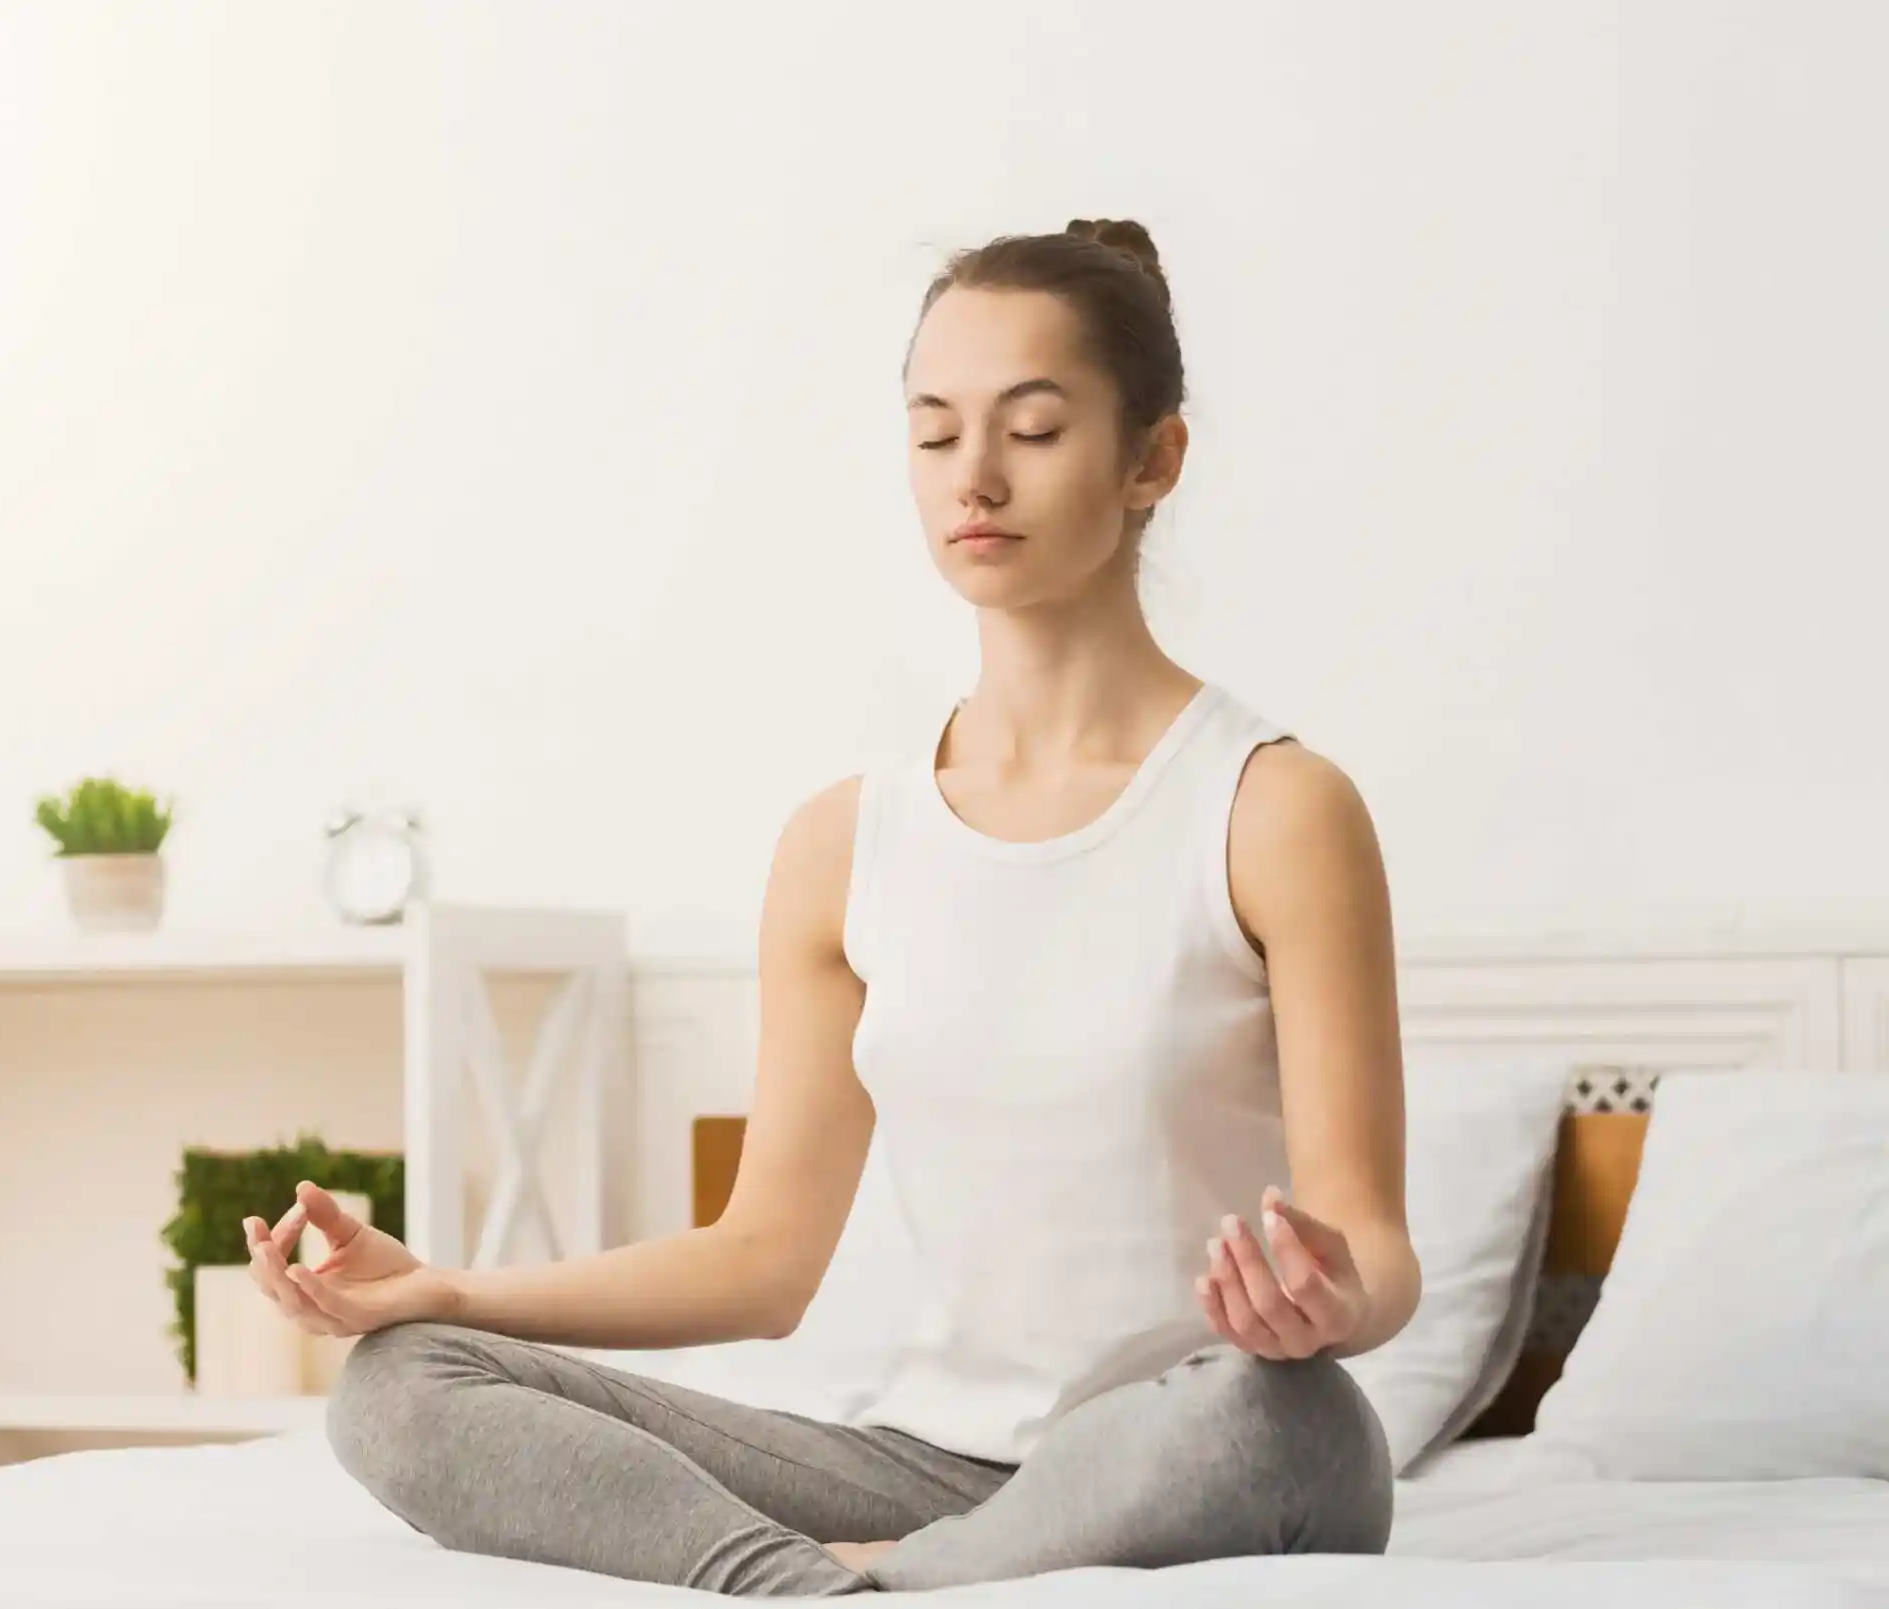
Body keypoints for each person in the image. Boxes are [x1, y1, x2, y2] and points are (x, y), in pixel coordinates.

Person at [238, 219, 1412, 1597]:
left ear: (1154, 458)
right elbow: (761, 1261)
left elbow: (1374, 1248)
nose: (973, 476)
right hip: (922, 1465)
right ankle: (827, 1581)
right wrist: (443, 1289)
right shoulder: (843, 843)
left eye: (1032, 429)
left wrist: (1330, 1301)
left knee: (1287, 1419)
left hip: (1201, 1429)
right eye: (933, 433)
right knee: (399, 1386)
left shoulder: (1274, 808)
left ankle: (895, 1576)